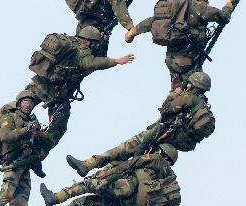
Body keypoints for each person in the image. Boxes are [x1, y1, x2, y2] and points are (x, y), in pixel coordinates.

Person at [65, 71, 215, 177]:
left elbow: (165, 110)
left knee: (125, 148)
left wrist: (174, 93)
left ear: (193, 86)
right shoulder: (203, 105)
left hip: (163, 133)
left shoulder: (190, 98)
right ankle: (95, 173)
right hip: (171, 143)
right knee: (132, 161)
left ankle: (88, 164)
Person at [24, 25, 135, 149]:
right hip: (56, 93)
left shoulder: (70, 42)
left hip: (39, 83)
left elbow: (97, 58)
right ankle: (40, 148)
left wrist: (104, 41)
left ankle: (21, 126)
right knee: (58, 129)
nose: (95, 46)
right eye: (94, 43)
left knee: (19, 105)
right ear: (88, 41)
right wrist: (116, 61)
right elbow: (90, 63)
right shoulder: (83, 50)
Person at [37, 144, 180, 206]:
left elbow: (130, 164)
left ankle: (55, 198)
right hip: (124, 202)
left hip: (125, 188)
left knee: (89, 184)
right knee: (88, 201)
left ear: (162, 153)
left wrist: (108, 172)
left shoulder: (156, 159)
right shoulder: (168, 175)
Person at [126, 0, 237, 88]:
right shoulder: (201, 7)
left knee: (177, 90)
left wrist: (132, 32)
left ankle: (171, 103)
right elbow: (224, 18)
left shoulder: (176, 8)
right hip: (188, 60)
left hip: (171, 60)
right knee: (197, 88)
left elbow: (151, 21)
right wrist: (229, 2)